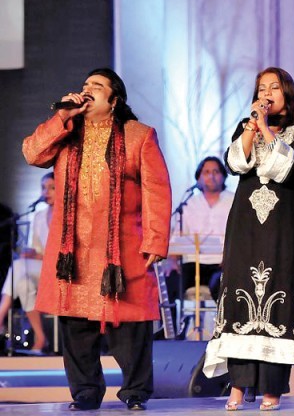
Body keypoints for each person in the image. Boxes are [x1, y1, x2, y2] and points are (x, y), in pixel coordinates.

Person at [23, 68, 172, 411]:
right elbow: (32, 153)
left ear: (114, 99)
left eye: (97, 86)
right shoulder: (66, 132)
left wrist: (155, 239)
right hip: (73, 250)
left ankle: (135, 392)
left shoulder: (139, 135)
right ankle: (86, 393)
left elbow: (156, 190)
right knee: (76, 326)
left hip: (121, 248)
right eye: (85, 84)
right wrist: (62, 116)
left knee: (130, 323)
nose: (87, 89)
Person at [202, 67, 294, 411]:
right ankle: (238, 386)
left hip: (284, 231)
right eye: (261, 88)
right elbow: (236, 163)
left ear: (287, 93)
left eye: (274, 87)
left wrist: (265, 130)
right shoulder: (247, 127)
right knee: (240, 299)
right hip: (246, 230)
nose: (267, 93)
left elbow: (287, 168)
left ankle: (273, 387)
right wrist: (252, 126)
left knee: (280, 301)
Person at [0, 172, 55, 353]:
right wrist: (30, 253)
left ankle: (0, 316)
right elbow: (37, 249)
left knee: (18, 267)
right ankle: (41, 337)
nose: (46, 192)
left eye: (52, 188)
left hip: (60, 271)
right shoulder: (39, 216)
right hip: (41, 270)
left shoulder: (67, 216)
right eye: (43, 188)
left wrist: (41, 257)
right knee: (22, 281)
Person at [168, 156, 234, 299]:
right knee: (171, 281)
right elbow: (177, 237)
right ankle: (171, 315)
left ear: (223, 176)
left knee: (222, 285)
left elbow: (242, 236)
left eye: (216, 172)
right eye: (206, 172)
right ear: (198, 178)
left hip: (222, 264)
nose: (211, 176)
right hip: (193, 263)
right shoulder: (189, 204)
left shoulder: (234, 201)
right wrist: (172, 261)